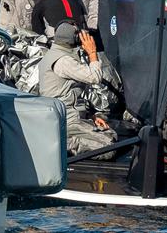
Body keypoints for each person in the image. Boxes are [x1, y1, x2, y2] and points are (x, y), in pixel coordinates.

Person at [39, 21, 117, 158]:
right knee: (107, 148)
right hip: (66, 122)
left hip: (69, 117)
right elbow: (94, 77)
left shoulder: (56, 53)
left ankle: (64, 140)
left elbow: (71, 95)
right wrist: (92, 52)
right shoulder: (63, 61)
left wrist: (90, 116)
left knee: (110, 134)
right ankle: (61, 143)